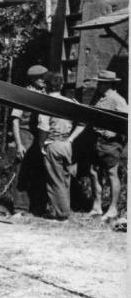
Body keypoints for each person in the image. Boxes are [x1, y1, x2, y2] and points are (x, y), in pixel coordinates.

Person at [38, 72, 85, 221]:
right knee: (65, 179)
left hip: (53, 143)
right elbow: (83, 122)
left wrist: (41, 145)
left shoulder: (45, 103)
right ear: (62, 85)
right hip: (66, 144)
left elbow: (44, 127)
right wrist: (71, 139)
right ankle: (64, 209)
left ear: (46, 86)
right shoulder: (70, 102)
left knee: (55, 180)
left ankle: (60, 213)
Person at [88, 70, 128, 221]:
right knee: (93, 172)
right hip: (97, 140)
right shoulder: (100, 97)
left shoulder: (117, 99)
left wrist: (117, 134)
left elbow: (127, 120)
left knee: (112, 173)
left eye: (100, 82)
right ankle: (97, 206)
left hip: (110, 143)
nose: (98, 85)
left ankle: (113, 209)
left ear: (107, 84)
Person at [10, 64, 48, 220]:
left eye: (44, 78)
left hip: (40, 136)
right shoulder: (24, 94)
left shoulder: (45, 94)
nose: (44, 81)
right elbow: (15, 120)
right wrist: (19, 144)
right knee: (22, 170)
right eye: (40, 78)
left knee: (40, 170)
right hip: (26, 135)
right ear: (32, 79)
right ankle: (19, 208)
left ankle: (38, 207)